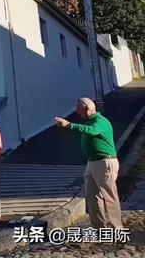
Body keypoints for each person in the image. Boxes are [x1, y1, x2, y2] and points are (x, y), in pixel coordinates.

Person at [54, 97, 123, 229]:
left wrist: (69, 125)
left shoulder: (100, 121)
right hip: (92, 162)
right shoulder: (89, 121)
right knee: (92, 196)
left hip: (105, 161)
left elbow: (92, 130)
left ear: (86, 109)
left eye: (78, 109)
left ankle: (117, 228)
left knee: (109, 196)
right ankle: (99, 227)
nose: (77, 112)